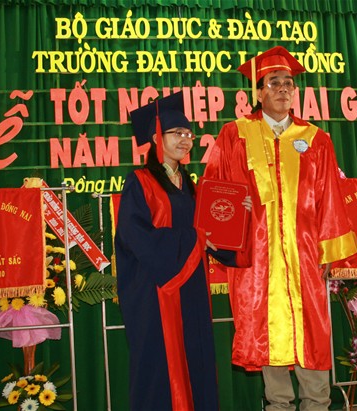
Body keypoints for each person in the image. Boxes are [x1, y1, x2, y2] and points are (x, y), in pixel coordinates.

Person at [203, 46, 357, 411]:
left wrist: (328, 251)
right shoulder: (235, 134)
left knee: (312, 329)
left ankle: (317, 403)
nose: (284, 89)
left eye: (289, 83)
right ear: (258, 92)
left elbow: (330, 198)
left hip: (304, 254)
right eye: (274, 83)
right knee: (264, 327)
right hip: (256, 257)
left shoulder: (316, 138)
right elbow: (216, 190)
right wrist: (227, 240)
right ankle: (277, 405)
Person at [115, 91, 243, 410]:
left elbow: (212, 233)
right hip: (156, 289)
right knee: (159, 365)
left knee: (196, 358)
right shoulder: (140, 181)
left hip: (192, 287)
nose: (186, 140)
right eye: (177, 133)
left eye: (189, 134)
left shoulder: (190, 184)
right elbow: (135, 236)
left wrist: (240, 215)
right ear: (156, 137)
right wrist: (193, 238)